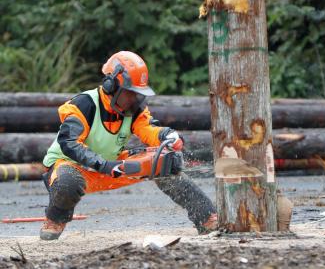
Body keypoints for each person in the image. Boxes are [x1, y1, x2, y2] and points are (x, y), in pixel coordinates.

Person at [40, 51, 217, 240]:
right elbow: (69, 144)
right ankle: (55, 219)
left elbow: (148, 129)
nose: (133, 100)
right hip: (69, 167)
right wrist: (103, 165)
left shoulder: (133, 110)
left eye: (137, 95)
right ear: (111, 85)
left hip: (112, 166)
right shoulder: (84, 106)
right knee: (68, 181)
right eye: (129, 93)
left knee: (165, 162)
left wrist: (167, 135)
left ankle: (206, 217)